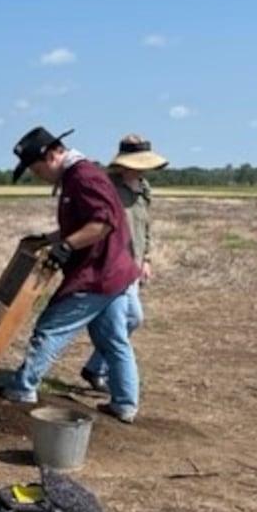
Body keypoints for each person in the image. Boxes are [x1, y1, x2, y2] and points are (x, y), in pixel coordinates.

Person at [3, 126, 142, 423]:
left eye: (35, 168)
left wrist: (66, 246)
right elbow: (83, 222)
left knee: (50, 328)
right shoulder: (77, 176)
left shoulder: (83, 176)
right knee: (113, 339)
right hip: (114, 272)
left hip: (98, 274)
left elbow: (101, 224)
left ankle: (23, 389)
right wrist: (48, 238)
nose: (36, 175)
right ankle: (125, 405)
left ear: (52, 155)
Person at [79, 134, 167, 392]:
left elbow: (145, 226)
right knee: (129, 320)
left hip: (135, 264)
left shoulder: (144, 188)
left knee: (132, 320)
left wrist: (146, 258)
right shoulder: (107, 187)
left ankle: (95, 367)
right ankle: (112, 381)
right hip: (115, 265)